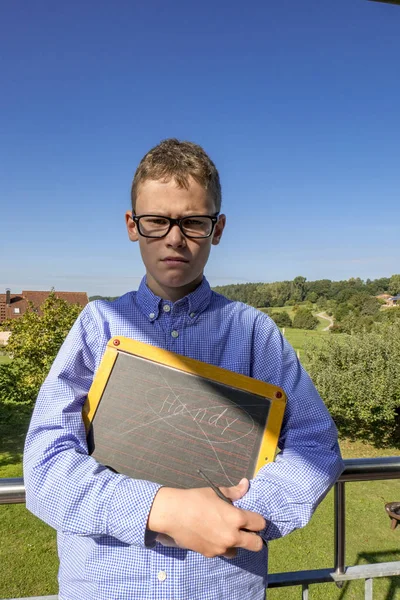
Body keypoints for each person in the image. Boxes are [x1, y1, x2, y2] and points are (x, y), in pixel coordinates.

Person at [24, 138, 344, 600]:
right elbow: (46, 465)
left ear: (217, 229)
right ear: (133, 226)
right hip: (105, 585)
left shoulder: (254, 333)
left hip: (222, 586)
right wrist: (163, 510)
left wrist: (230, 516)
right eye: (157, 220)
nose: (175, 238)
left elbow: (314, 445)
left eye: (194, 222)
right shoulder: (95, 327)